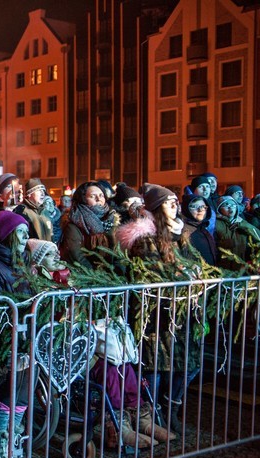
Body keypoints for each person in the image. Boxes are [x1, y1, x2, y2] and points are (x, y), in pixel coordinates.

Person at [117, 185, 196, 438]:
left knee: (186, 363)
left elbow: (193, 262)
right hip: (156, 313)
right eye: (168, 201)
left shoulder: (181, 233)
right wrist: (180, 276)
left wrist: (196, 273)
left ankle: (170, 409)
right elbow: (150, 271)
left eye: (176, 201)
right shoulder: (145, 237)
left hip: (179, 311)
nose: (175, 205)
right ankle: (151, 416)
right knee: (155, 365)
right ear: (155, 207)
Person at [0, 211, 33, 458]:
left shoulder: (23, 261)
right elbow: (0, 305)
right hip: (8, 337)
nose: (26, 237)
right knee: (8, 392)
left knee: (23, 392)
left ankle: (15, 438)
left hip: (27, 335)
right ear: (7, 235)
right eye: (21, 232)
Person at [59, 182, 120, 269]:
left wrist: (119, 273)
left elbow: (119, 252)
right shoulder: (74, 223)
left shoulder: (112, 219)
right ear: (83, 199)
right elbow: (76, 256)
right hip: (88, 277)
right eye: (92, 196)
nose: (99, 199)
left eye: (101, 195)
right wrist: (97, 276)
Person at [214, 195, 260, 272]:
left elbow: (258, 236)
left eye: (232, 205)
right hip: (223, 270)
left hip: (243, 268)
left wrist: (244, 226)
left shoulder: (243, 222)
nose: (230, 207)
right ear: (219, 209)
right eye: (225, 205)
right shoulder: (216, 224)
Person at [180, 194, 218, 265]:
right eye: (194, 207)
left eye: (203, 207)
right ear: (186, 209)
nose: (200, 210)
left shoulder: (204, 229)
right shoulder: (184, 231)